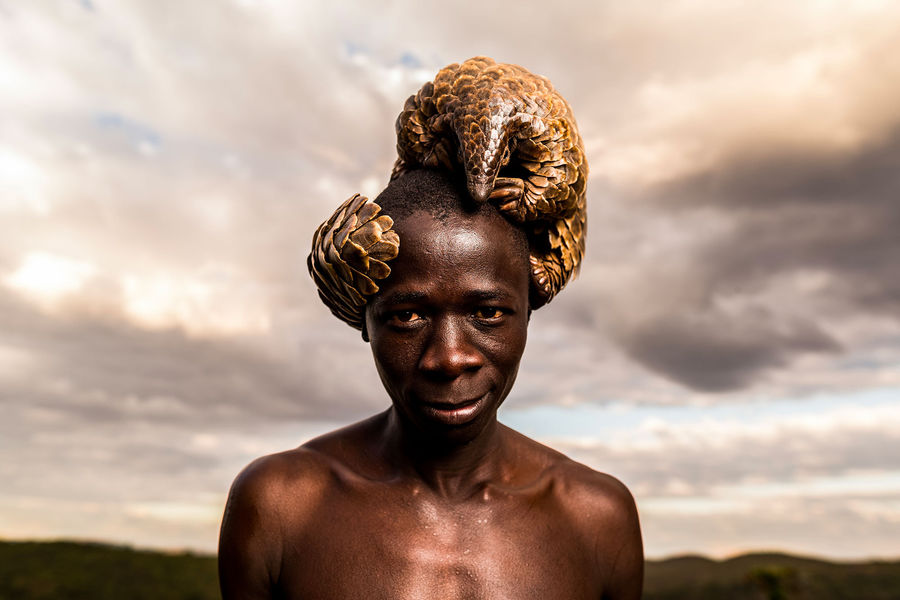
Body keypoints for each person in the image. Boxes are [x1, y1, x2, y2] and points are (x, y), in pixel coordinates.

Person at [218, 169, 644, 599]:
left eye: (489, 312)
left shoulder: (597, 517)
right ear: (363, 320)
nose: (449, 358)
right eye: (407, 316)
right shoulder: (281, 507)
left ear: (528, 312)